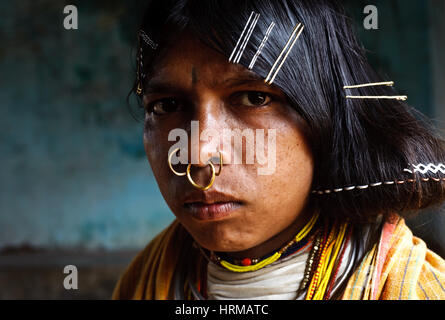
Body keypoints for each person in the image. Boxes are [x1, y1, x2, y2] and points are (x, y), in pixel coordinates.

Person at [112, 0, 445, 300]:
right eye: (166, 105)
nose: (198, 155)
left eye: (254, 98)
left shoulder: (414, 289)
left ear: (327, 118)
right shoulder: (145, 279)